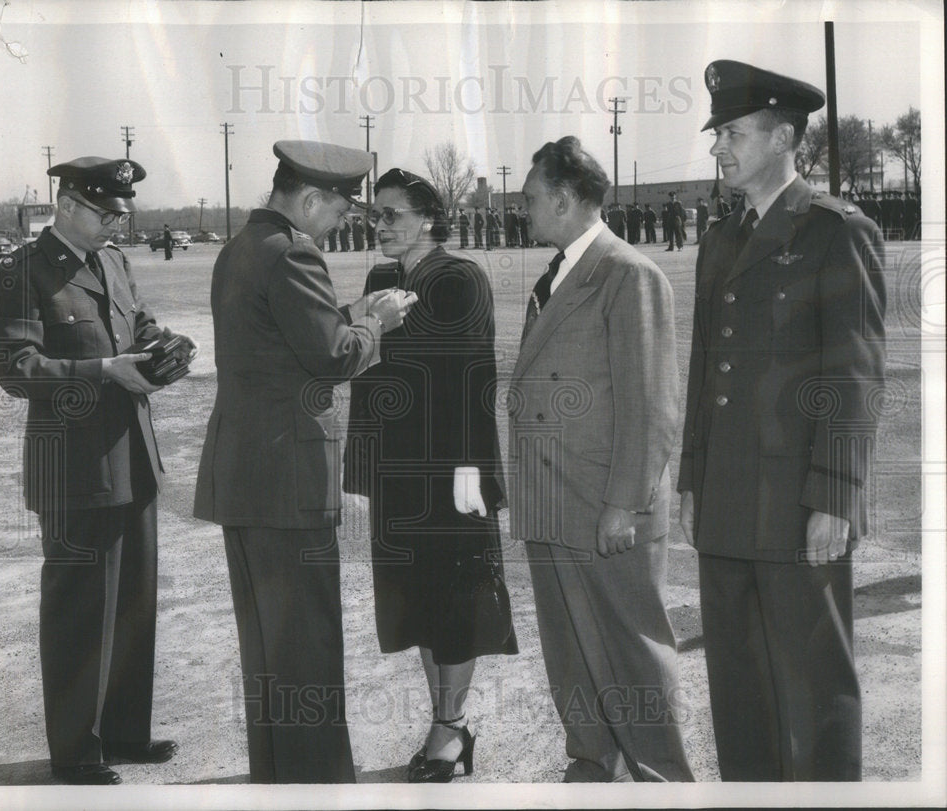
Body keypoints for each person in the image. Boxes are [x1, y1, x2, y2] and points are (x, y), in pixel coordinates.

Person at [679, 59, 887, 781]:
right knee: (736, 684)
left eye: (732, 132)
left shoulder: (835, 232)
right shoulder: (719, 238)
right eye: (718, 134)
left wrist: (835, 494)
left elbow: (854, 375)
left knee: (813, 682)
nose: (718, 147)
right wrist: (691, 480)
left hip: (800, 500)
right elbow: (706, 370)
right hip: (728, 501)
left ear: (782, 137)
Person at [193, 140, 416, 783]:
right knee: (308, 647)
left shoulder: (242, 247)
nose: (345, 221)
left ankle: (277, 777)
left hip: (246, 475)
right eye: (342, 208)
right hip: (288, 480)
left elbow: (285, 337)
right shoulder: (294, 251)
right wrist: (380, 324)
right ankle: (319, 786)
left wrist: (352, 317)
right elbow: (332, 356)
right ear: (310, 199)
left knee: (267, 646)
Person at [0, 157, 193, 785]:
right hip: (73, 467)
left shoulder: (113, 263)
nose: (116, 227)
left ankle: (125, 732)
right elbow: (16, 368)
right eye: (105, 214)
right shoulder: (21, 275)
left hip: (133, 456)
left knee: (133, 603)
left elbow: (137, 324)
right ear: (66, 203)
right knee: (79, 609)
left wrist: (163, 346)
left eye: (121, 217)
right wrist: (103, 372)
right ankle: (75, 748)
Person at [509, 136, 693, 783]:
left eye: (531, 198)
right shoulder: (557, 272)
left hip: (602, 505)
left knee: (632, 653)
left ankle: (662, 777)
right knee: (570, 649)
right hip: (553, 500)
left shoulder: (627, 273)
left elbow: (652, 403)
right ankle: (592, 760)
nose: (522, 208)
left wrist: (625, 502)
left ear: (563, 199)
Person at [345, 168, 517, 783]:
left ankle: (449, 726)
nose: (382, 226)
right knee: (416, 601)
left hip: (450, 471)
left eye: (393, 214)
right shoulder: (382, 279)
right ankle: (445, 721)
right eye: (376, 215)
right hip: (398, 473)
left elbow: (473, 378)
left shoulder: (457, 277)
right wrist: (363, 470)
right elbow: (366, 378)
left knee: (458, 601)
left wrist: (472, 469)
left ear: (428, 219)